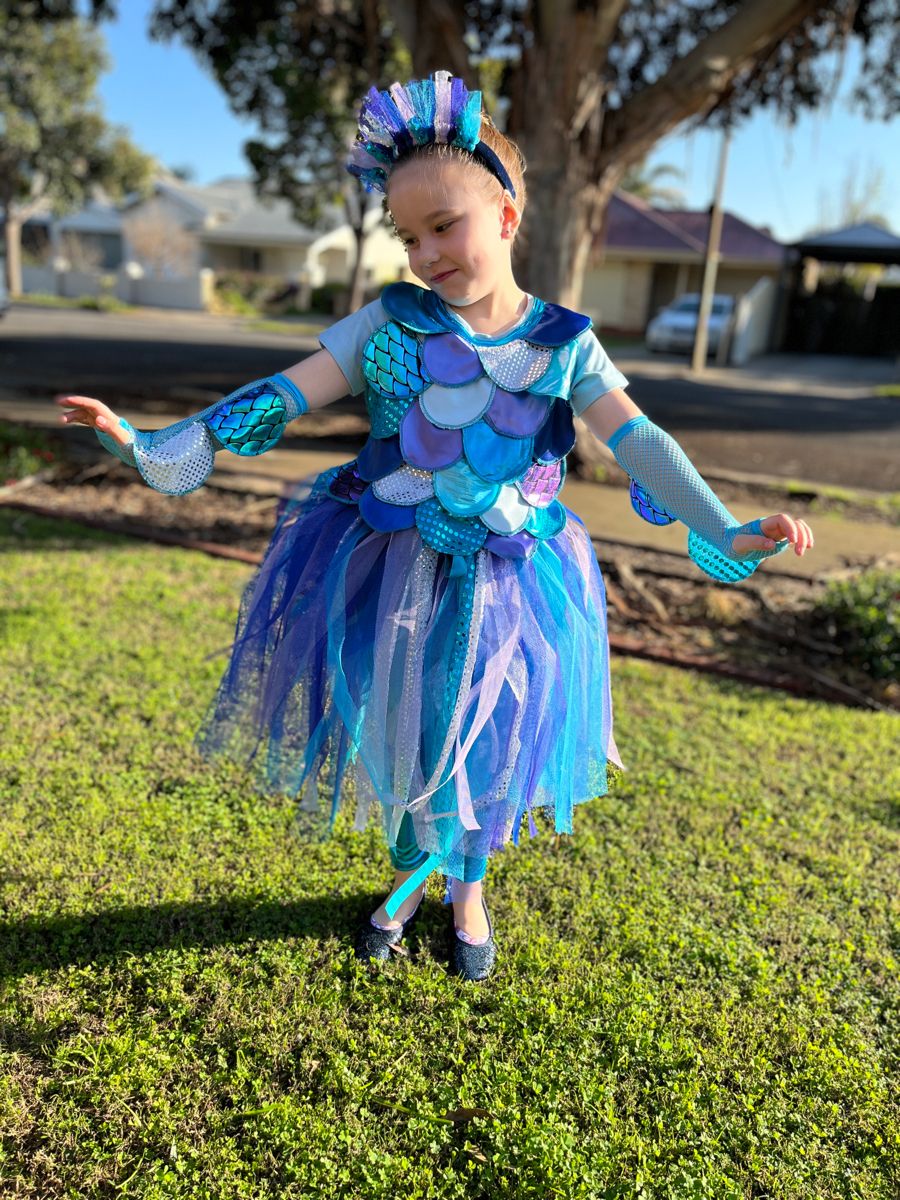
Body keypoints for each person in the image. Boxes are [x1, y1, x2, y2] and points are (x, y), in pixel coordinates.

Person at [55, 70, 814, 982]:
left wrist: (727, 530)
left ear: (504, 212)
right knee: (411, 732)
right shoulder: (388, 323)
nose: (424, 254)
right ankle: (421, 870)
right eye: (408, 236)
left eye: (442, 227)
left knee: (488, 739)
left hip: (511, 577)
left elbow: (639, 443)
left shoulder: (563, 343)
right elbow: (282, 394)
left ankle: (465, 889)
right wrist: (154, 443)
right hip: (392, 562)